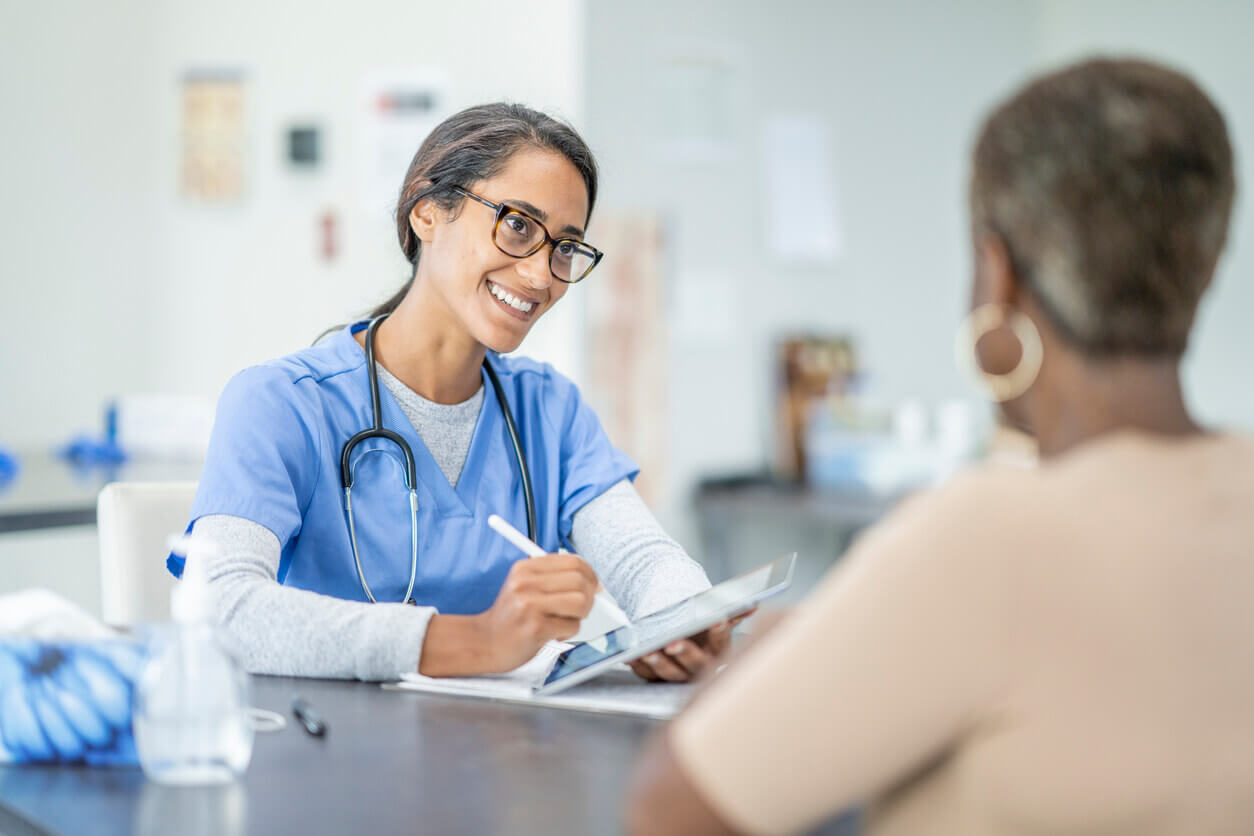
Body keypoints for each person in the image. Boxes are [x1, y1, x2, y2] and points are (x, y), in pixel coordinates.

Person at [627, 58, 1254, 835]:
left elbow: (669, 810)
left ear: (999, 277)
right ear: (1203, 261)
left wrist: (763, 668)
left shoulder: (990, 534)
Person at [172, 103, 732, 682]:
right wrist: (474, 642)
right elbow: (221, 608)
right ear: (427, 212)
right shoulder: (281, 402)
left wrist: (684, 618)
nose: (541, 276)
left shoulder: (548, 411)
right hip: (331, 752)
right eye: (518, 225)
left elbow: (642, 559)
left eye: (565, 247)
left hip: (502, 755)